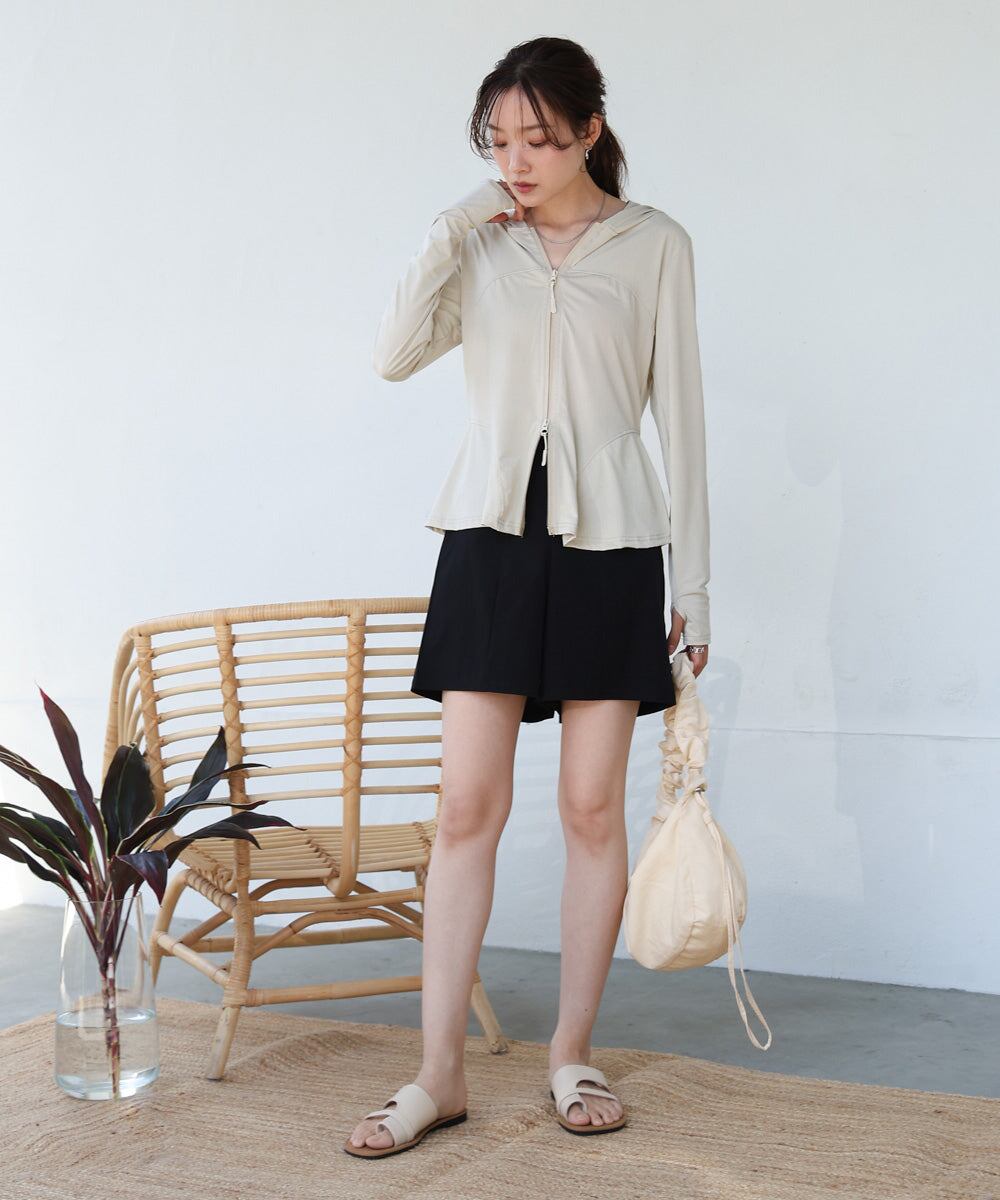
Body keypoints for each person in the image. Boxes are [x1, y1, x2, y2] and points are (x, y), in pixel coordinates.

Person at [346, 35, 710, 1158]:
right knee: (467, 808)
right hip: (491, 541)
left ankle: (571, 1053)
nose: (515, 161)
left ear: (590, 131)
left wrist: (693, 584)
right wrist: (458, 223)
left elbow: (683, 420)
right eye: (497, 142)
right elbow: (391, 354)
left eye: (539, 140)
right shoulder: (482, 243)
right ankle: (438, 1073)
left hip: (613, 545)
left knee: (591, 809)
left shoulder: (655, 245)